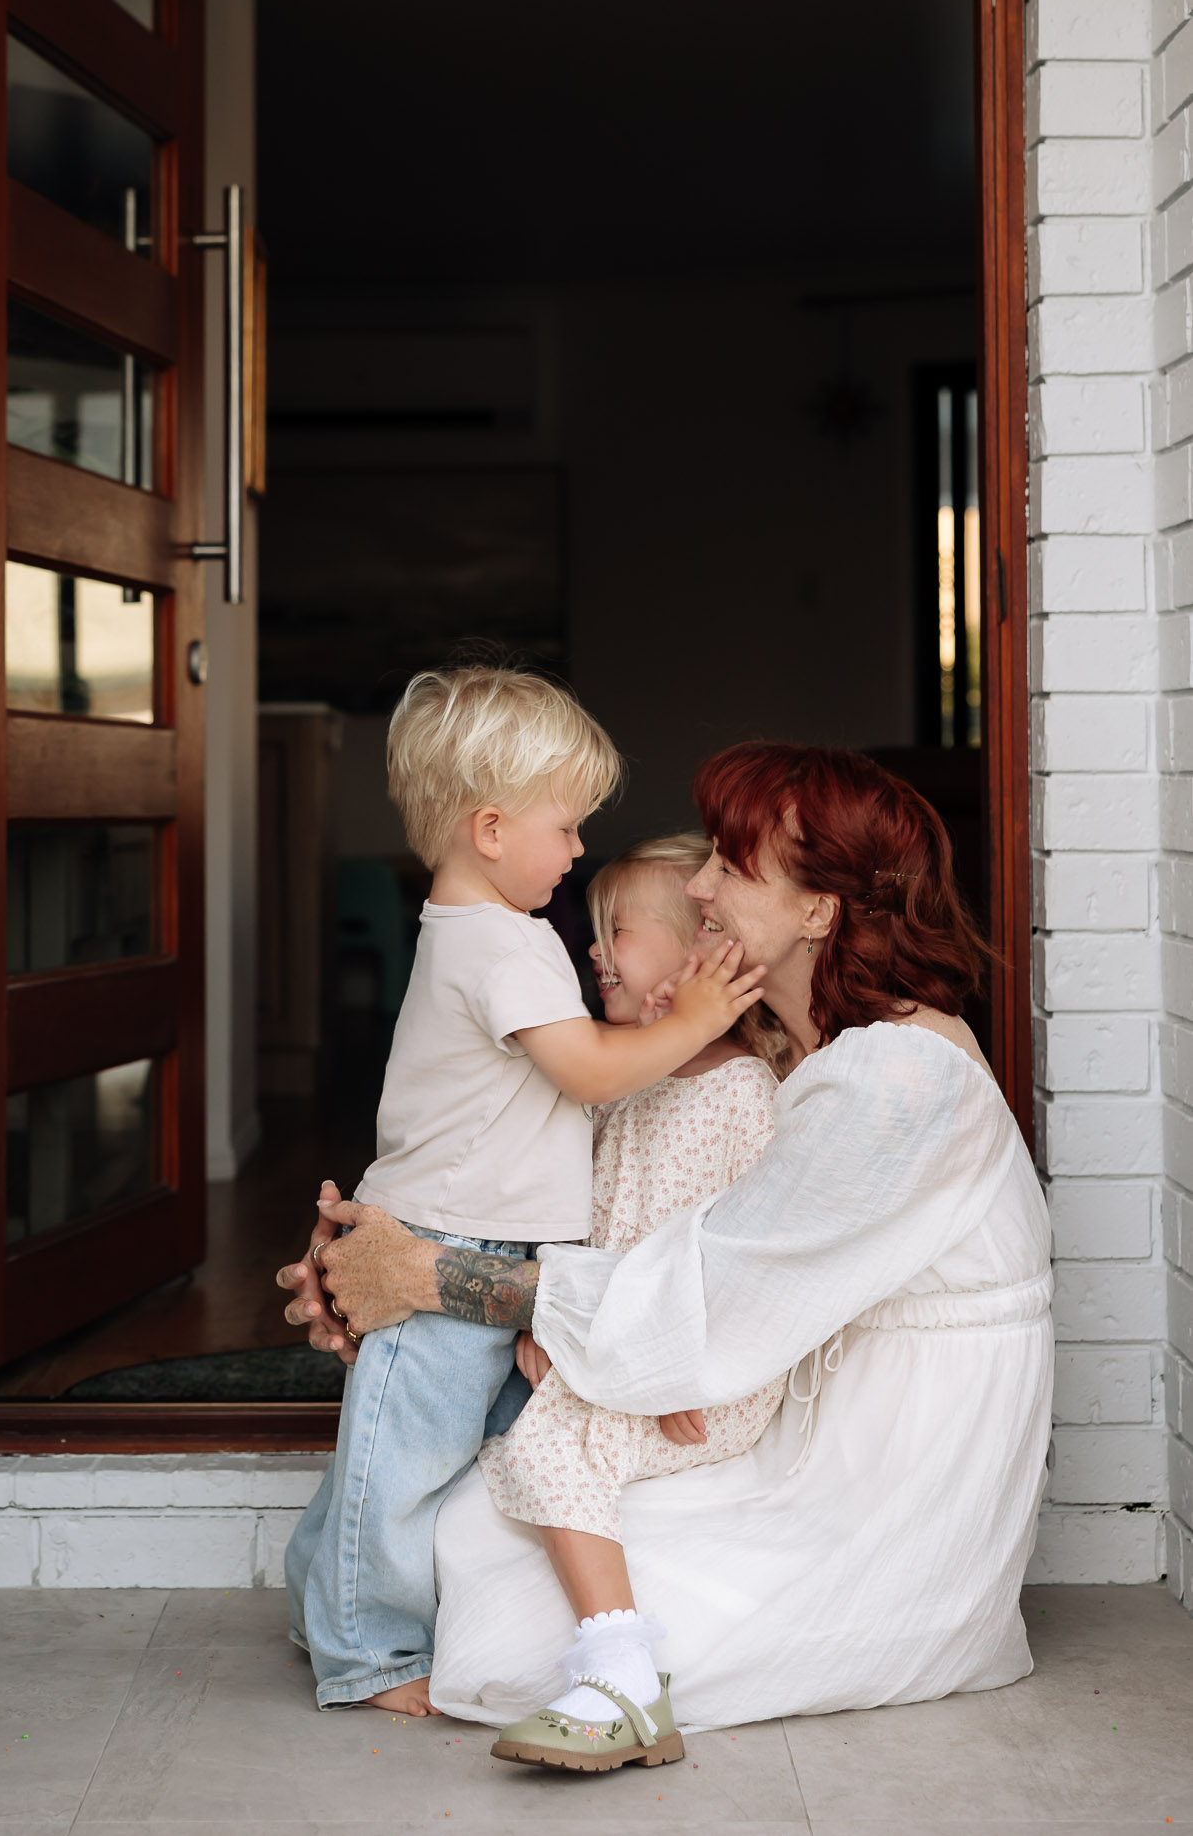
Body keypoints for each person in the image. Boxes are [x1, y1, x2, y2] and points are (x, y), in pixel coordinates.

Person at [283, 743, 1053, 1760]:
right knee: (471, 1522)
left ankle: (621, 1682)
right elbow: (535, 1160)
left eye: (730, 866)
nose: (697, 885)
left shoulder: (896, 1083)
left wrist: (429, 1278)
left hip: (877, 1479)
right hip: (760, 1402)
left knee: (489, 1597)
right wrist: (365, 1254)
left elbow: (709, 1289)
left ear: (819, 910)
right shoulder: (803, 1053)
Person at [283, 667, 764, 1718]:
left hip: (500, 1246)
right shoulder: (499, 943)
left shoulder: (486, 932)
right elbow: (589, 1072)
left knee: (424, 1450)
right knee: (398, 1464)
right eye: (566, 824)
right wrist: (690, 1020)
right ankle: (368, 1657)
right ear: (490, 827)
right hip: (448, 1240)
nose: (578, 846)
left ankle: (315, 1595)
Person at [479, 833, 791, 1769]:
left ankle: (621, 1676)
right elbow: (571, 1217)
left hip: (695, 1369)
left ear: (699, 955)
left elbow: (746, 1265)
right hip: (607, 1343)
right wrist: (545, 1319)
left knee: (550, 1439)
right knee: (539, 1418)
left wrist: (680, 1368)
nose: (592, 949)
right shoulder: (615, 1078)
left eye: (615, 929)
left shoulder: (742, 1094)